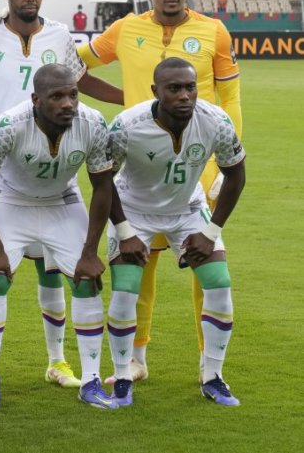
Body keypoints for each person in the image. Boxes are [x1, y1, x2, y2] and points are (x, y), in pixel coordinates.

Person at [0, 0, 123, 392]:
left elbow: (78, 82)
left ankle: (58, 361)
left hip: (57, 163)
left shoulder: (60, 35)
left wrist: (130, 96)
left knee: (53, 272)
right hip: (4, 164)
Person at [78, 0, 241, 386]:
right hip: (139, 157)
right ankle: (135, 359)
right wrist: (126, 99)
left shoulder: (214, 31)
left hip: (197, 162)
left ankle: (208, 362)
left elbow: (231, 97)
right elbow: (76, 67)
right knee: (140, 266)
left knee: (206, 264)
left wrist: (220, 165)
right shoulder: (124, 29)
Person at [0, 64, 117, 411]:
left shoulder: (93, 123)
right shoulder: (9, 124)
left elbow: (102, 186)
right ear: (36, 100)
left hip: (61, 199)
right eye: (57, 97)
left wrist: (90, 251)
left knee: (86, 280)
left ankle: (92, 381)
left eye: (73, 95)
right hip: (9, 197)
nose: (68, 104)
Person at [105, 57, 246, 407]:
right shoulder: (126, 126)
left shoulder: (215, 121)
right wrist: (124, 230)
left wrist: (210, 232)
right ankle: (122, 377)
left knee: (219, 283)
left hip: (187, 208)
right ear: (156, 91)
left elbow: (236, 174)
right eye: (174, 88)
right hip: (133, 210)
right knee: (125, 289)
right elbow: (102, 180)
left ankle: (213, 376)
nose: (184, 95)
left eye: (190, 87)